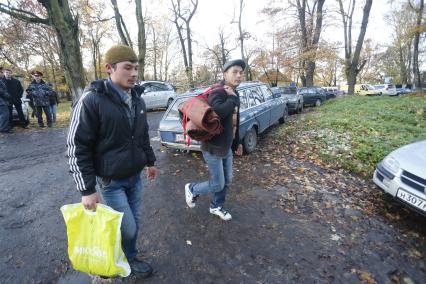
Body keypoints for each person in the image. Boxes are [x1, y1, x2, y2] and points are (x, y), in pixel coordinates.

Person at [66, 45, 158, 278]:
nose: (134, 73)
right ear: (109, 68)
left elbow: (142, 135)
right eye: (127, 67)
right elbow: (77, 146)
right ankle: (108, 260)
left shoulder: (137, 99)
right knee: (127, 228)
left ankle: (129, 257)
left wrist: (150, 161)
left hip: (134, 176)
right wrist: (86, 189)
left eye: (136, 68)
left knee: (132, 224)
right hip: (111, 180)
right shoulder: (92, 100)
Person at [184, 59, 245, 221]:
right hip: (213, 148)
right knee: (218, 183)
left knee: (227, 180)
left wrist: (237, 142)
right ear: (225, 75)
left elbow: (234, 121)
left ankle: (216, 206)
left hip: (227, 147)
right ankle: (192, 188)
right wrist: (232, 99)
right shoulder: (218, 92)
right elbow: (219, 111)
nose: (239, 75)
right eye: (235, 72)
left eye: (241, 72)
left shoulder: (233, 93)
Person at [0, 67, 12, 133]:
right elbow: (1, 91)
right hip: (1, 101)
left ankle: (3, 127)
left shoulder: (1, 80)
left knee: (4, 114)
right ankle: (3, 128)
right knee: (5, 114)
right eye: (1, 72)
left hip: (3, 101)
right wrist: (7, 95)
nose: (2, 73)